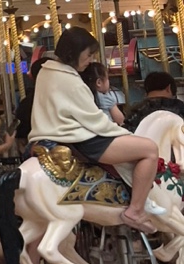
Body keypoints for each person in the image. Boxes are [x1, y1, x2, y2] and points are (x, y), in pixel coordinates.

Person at [30, 26, 159, 232]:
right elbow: (95, 120)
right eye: (88, 55)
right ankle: (135, 210)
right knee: (149, 149)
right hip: (82, 139)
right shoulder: (69, 80)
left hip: (54, 137)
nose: (90, 60)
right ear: (73, 53)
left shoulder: (47, 72)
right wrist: (126, 133)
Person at [82, 62, 125, 127]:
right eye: (107, 78)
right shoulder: (105, 97)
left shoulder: (85, 96)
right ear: (99, 82)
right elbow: (120, 119)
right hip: (107, 128)